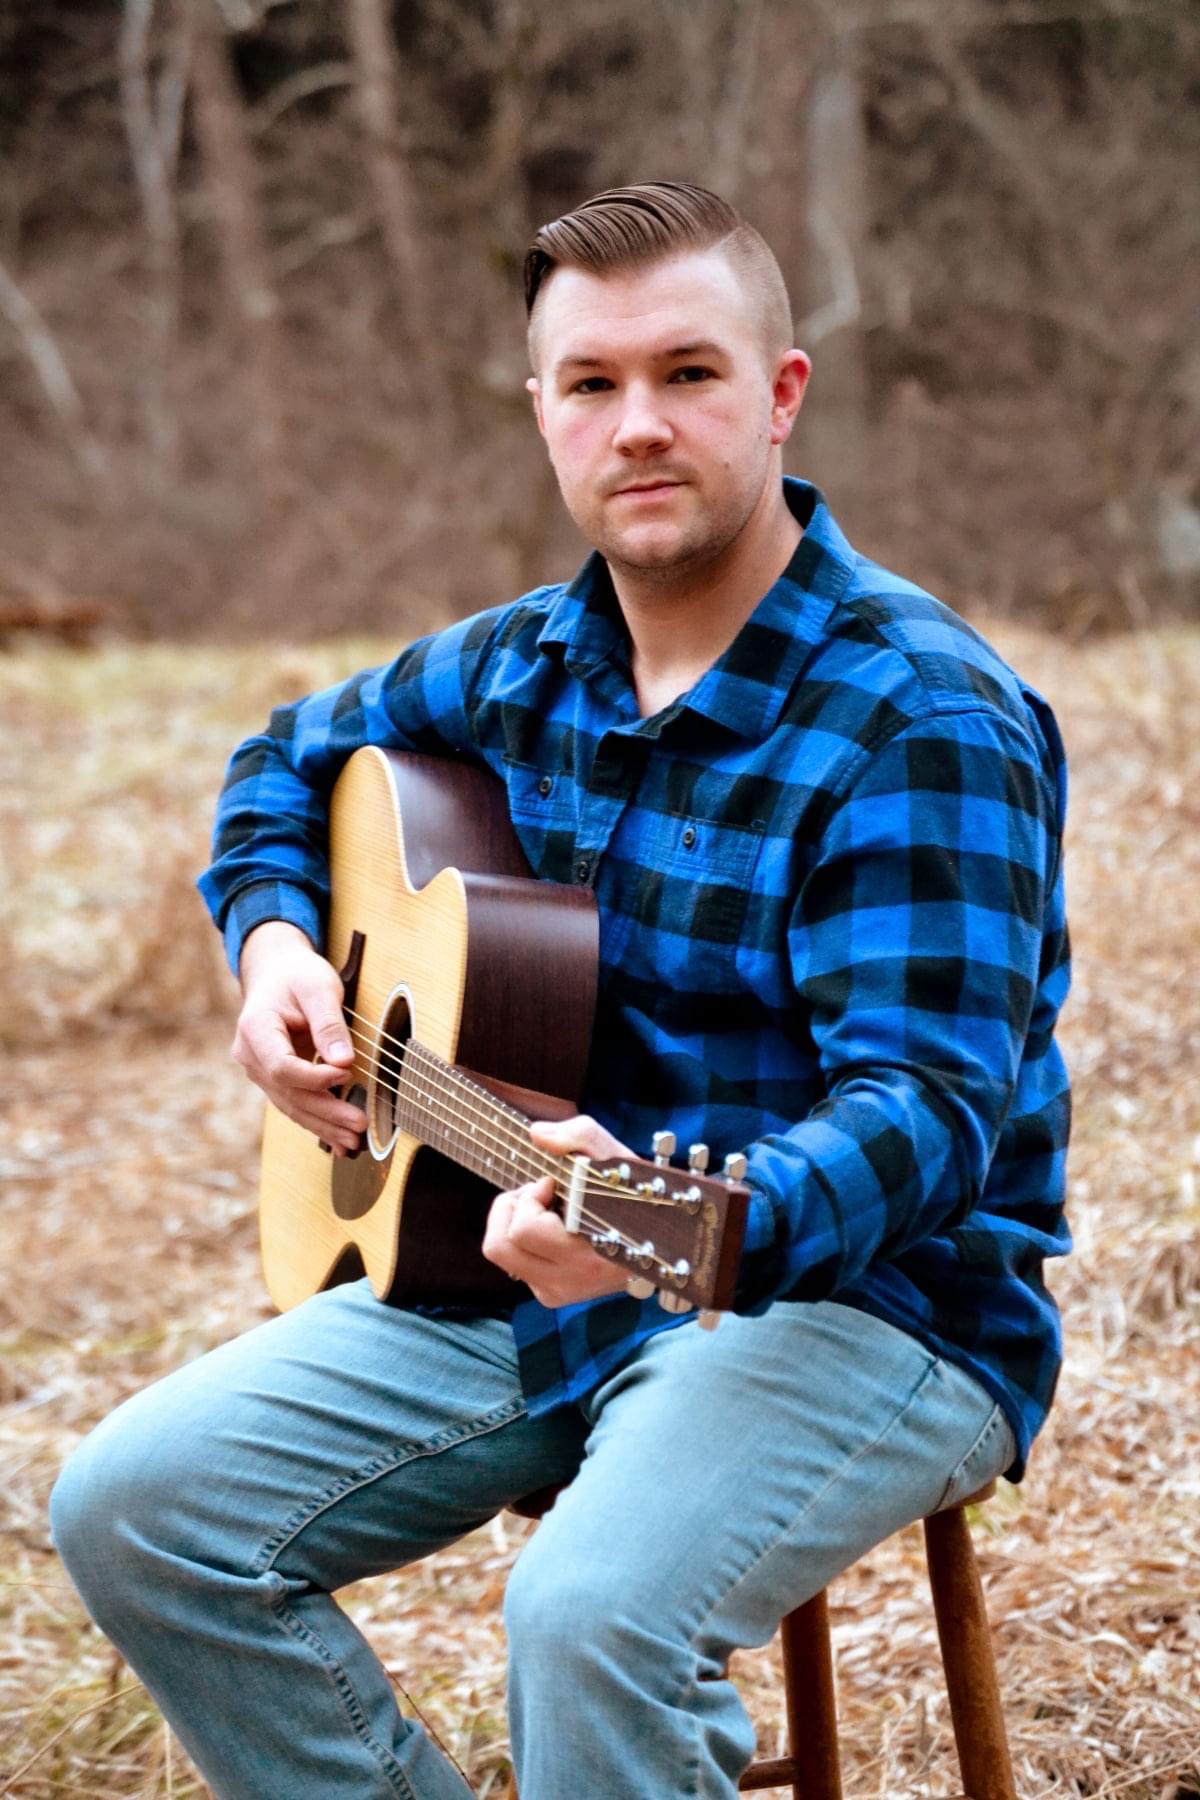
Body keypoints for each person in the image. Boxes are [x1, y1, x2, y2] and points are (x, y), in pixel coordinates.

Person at [51, 181, 1071, 1800]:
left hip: (860, 1303)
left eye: (690, 374)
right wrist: (276, 952)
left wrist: (655, 1228)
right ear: (544, 414)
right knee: (132, 1507)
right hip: (524, 1256)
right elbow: (279, 761)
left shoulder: (920, 711)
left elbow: (929, 1124)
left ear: (782, 393)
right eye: (592, 385)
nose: (639, 424)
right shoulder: (524, 662)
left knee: (587, 1613)